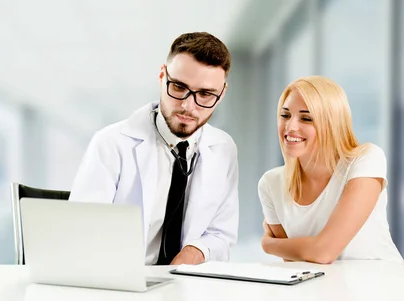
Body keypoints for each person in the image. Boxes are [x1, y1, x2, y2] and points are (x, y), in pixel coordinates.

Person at [69, 32, 239, 265]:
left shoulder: (223, 149)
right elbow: (80, 233)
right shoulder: (111, 143)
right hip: (119, 283)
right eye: (179, 87)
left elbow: (221, 233)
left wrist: (193, 253)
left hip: (186, 284)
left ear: (221, 95)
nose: (188, 106)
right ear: (162, 76)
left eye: (205, 94)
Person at [258, 75, 403, 264]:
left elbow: (323, 253)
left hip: (379, 287)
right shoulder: (270, 183)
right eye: (285, 115)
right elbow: (294, 261)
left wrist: (268, 245)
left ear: (331, 123)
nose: (290, 126)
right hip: (322, 290)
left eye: (306, 118)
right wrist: (288, 249)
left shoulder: (366, 160)